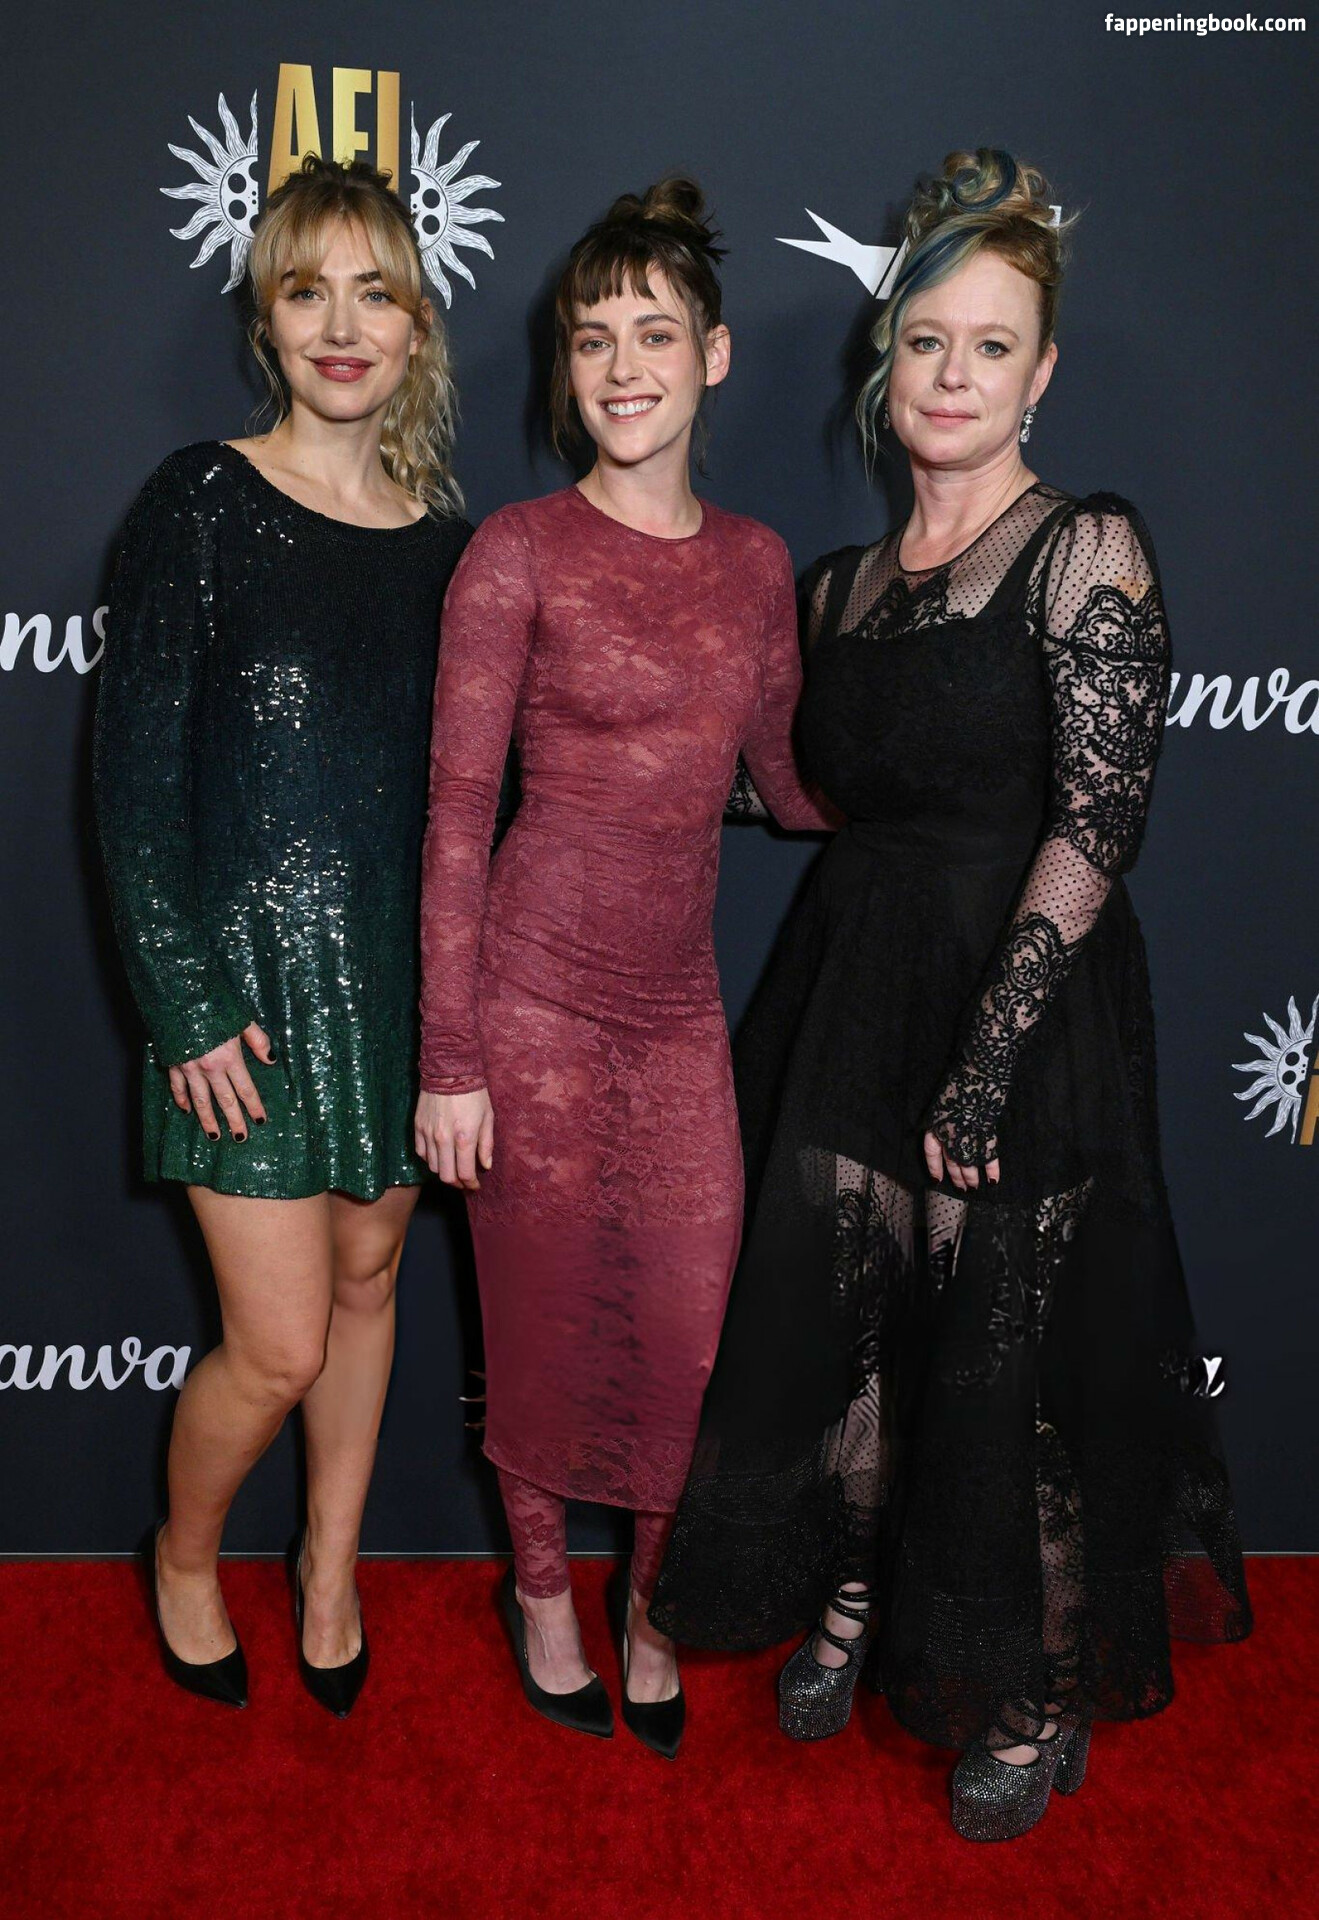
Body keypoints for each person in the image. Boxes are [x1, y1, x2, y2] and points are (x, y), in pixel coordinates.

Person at [651, 148, 1252, 1835]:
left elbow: (1100, 821)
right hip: (855, 983)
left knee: (1015, 1358)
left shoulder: (1085, 547)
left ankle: (1043, 1686)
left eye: (992, 346)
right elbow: (788, 787)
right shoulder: (837, 587)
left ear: (1040, 371)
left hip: (1025, 1003)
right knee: (851, 1324)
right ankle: (857, 1590)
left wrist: (988, 1059)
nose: (954, 375)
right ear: (886, 356)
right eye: (928, 341)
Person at [414, 178, 834, 1755]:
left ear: (713, 356)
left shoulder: (757, 563)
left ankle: (655, 1607)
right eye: (594, 338)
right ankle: (542, 1596)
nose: (623, 365)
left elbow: (793, 783)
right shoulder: (515, 552)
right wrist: (450, 1058)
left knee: (688, 1337)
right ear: (565, 367)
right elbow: (457, 816)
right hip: (523, 1001)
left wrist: (950, 777)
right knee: (530, 1326)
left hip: (673, 1018)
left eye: (654, 333)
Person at [94, 155, 471, 1715]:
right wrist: (183, 1005)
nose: (341, 325)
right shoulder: (200, 500)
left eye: (374, 293)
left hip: (392, 991)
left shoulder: (452, 549)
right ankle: (184, 1556)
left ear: (415, 326)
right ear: (267, 318)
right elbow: (132, 783)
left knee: (372, 1285)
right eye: (308, 290)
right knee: (281, 1343)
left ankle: (329, 1566)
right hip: (237, 1006)